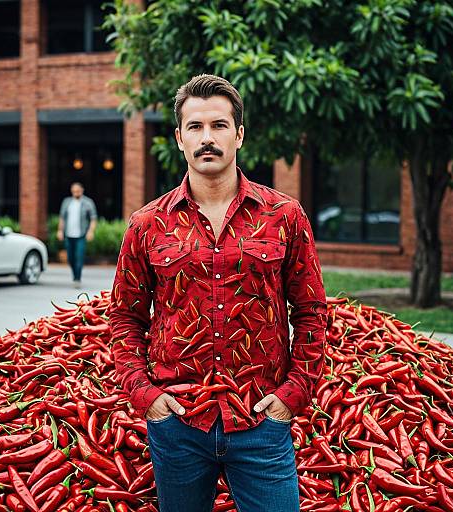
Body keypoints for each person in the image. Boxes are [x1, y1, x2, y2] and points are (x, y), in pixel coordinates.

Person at [107, 74, 327, 512]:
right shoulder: (147, 224)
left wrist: (293, 395)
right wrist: (145, 396)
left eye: (219, 125)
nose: (207, 138)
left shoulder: (284, 215)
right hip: (178, 425)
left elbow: (311, 311)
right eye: (196, 127)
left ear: (239, 135)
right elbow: (124, 317)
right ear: (179, 138)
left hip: (261, 422)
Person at [57, 182, 97, 287]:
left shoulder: (88, 202)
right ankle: (75, 275)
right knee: (70, 258)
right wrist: (60, 231)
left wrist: (90, 231)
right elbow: (62, 218)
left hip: (81, 235)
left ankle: (77, 279)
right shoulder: (67, 202)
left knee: (79, 257)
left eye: (78, 191)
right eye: (74, 191)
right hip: (68, 235)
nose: (76, 192)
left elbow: (93, 218)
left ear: (82, 190)